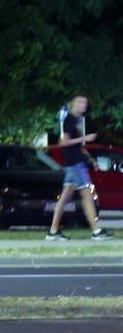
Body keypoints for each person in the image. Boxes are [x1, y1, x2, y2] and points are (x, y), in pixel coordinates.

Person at [47, 95, 112, 241]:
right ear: (73, 104)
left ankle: (53, 232)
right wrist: (85, 138)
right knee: (87, 196)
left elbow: (77, 146)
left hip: (75, 165)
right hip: (75, 165)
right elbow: (64, 142)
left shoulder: (75, 121)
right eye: (81, 102)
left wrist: (90, 159)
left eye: (85, 103)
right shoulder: (69, 120)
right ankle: (96, 231)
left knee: (63, 199)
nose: (84, 105)